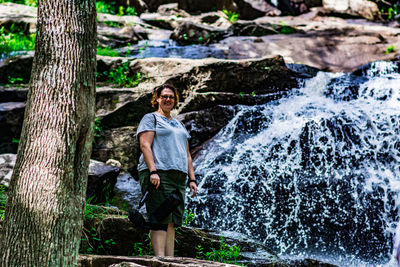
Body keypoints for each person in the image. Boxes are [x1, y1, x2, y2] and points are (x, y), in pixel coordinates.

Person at [136, 83, 197, 256]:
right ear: (157, 99)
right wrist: (153, 171)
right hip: (159, 173)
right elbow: (145, 145)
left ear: (175, 100)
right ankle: (160, 259)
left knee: (172, 221)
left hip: (179, 176)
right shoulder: (151, 118)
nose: (168, 99)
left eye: (171, 97)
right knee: (159, 217)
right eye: (164, 96)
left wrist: (192, 179)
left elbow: (187, 155)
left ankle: (171, 260)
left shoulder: (179, 125)